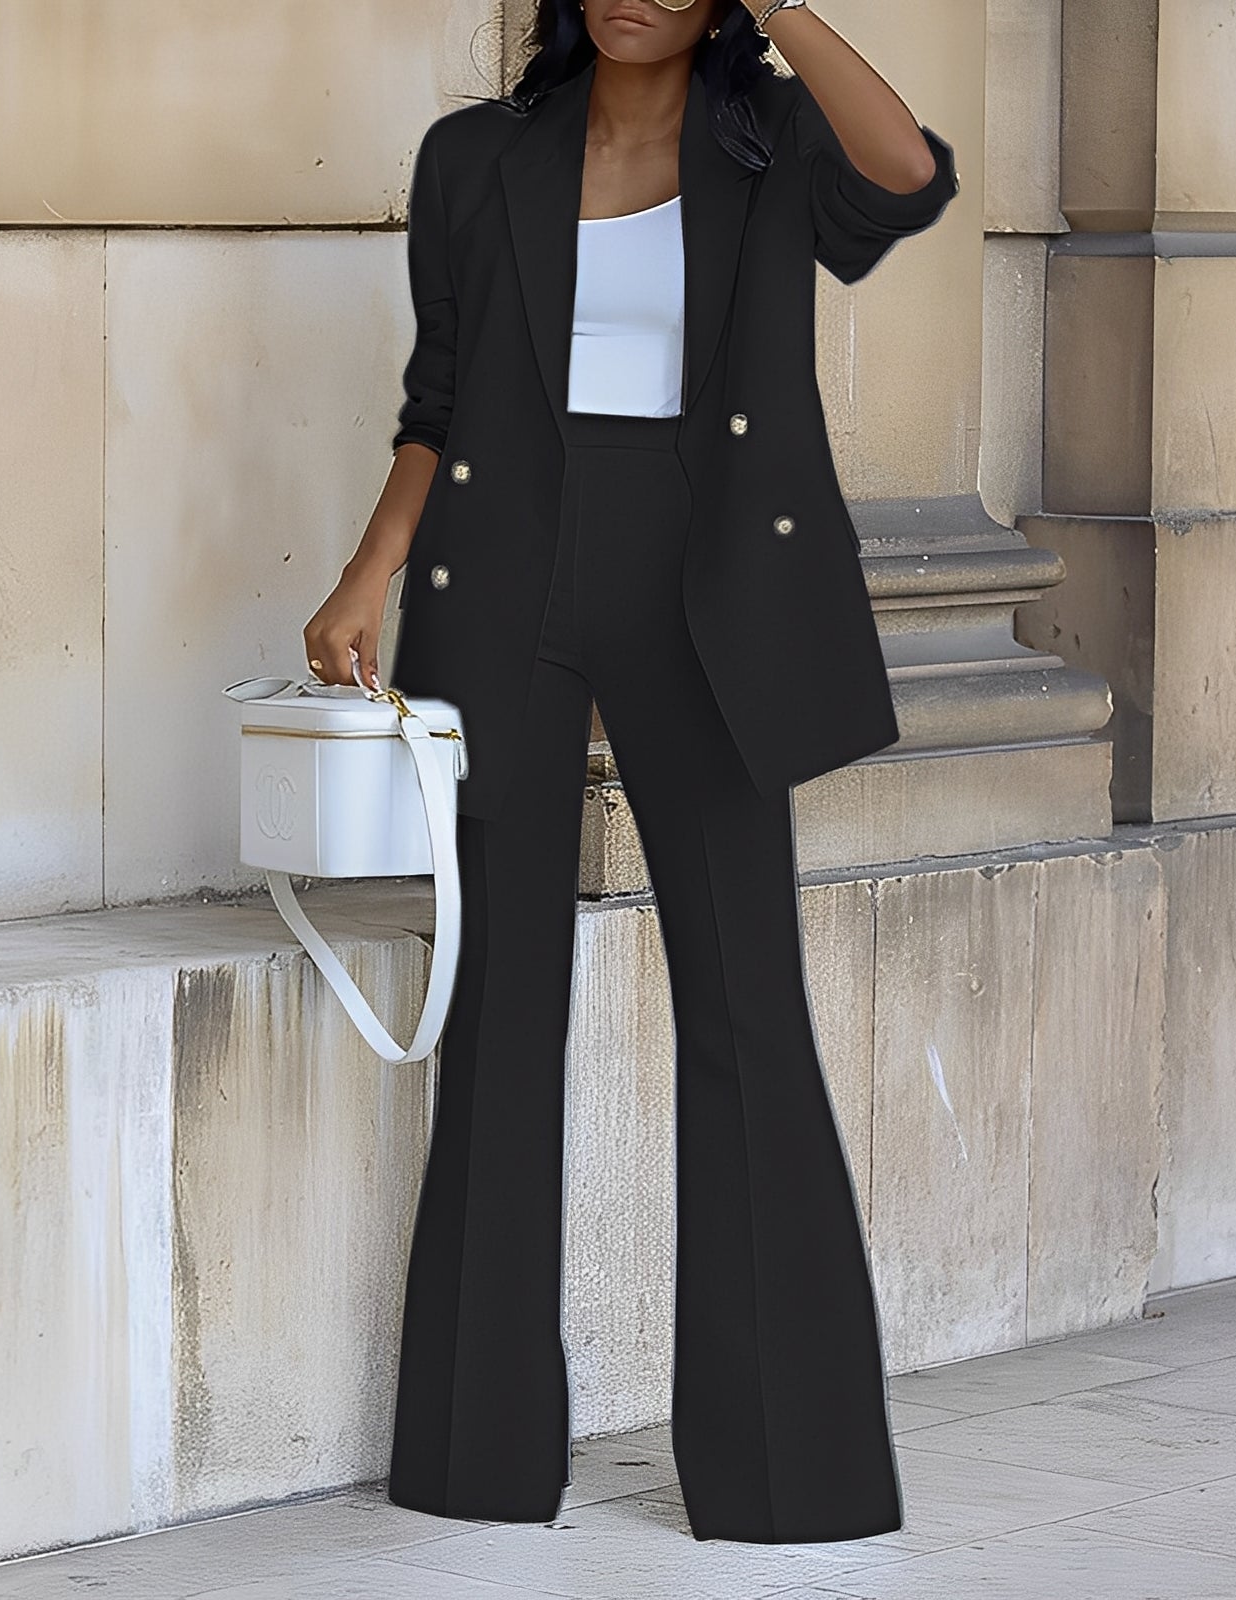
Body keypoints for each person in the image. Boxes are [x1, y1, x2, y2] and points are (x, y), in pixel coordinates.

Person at [301, 0, 959, 1545]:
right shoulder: (476, 157)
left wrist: (789, 9)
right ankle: (472, 1457)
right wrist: (368, 569)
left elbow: (910, 176)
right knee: (498, 1004)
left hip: (707, 581)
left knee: (746, 998)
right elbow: (439, 396)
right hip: (503, 574)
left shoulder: (768, 137)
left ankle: (786, 1474)